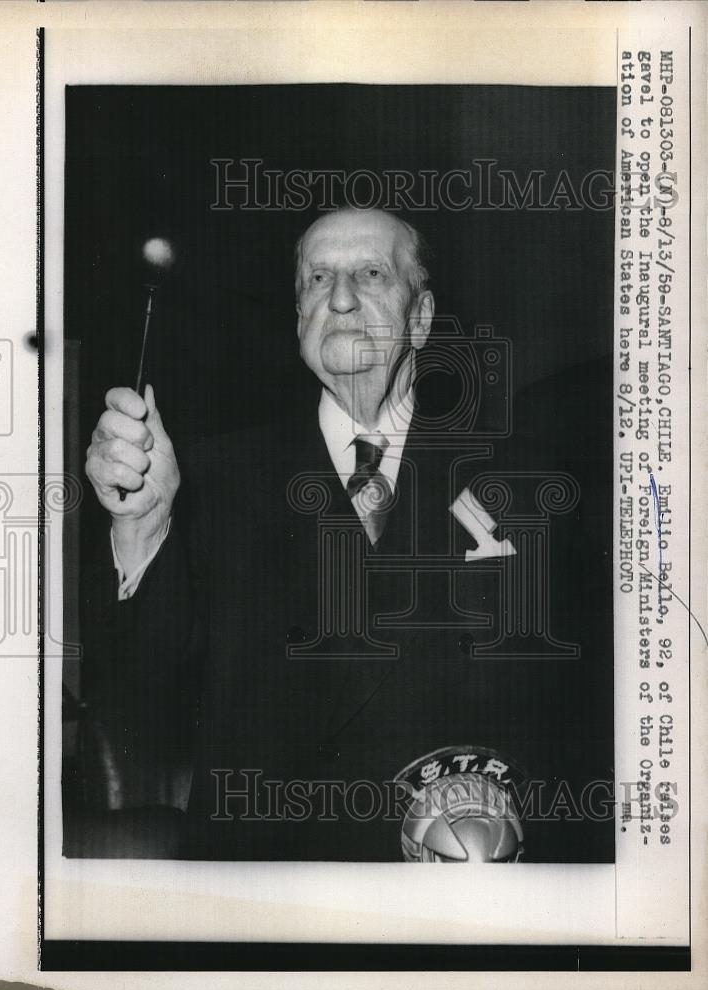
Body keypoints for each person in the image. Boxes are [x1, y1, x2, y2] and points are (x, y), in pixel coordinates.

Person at [78, 207, 614, 862]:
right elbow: (142, 697)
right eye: (316, 279)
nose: (338, 296)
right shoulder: (215, 479)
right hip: (264, 893)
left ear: (419, 319)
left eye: (369, 273)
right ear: (298, 319)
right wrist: (140, 525)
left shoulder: (528, 473)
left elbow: (586, 713)